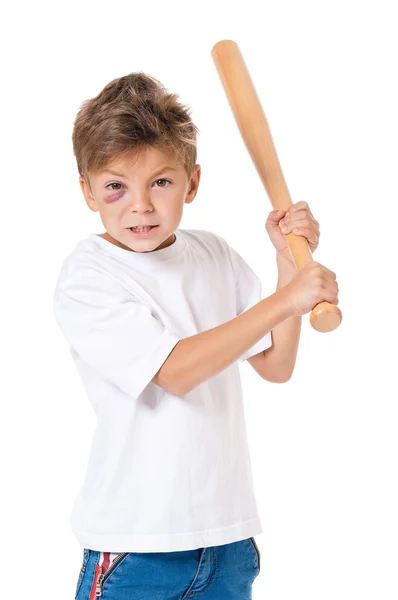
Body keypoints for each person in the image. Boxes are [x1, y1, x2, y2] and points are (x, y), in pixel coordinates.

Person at [53, 72, 339, 600]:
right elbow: (176, 372)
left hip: (228, 541)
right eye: (116, 185)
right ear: (88, 192)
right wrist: (286, 299)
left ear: (192, 183)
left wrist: (286, 265)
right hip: (137, 545)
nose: (139, 205)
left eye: (160, 182)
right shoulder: (89, 274)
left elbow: (277, 365)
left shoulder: (213, 256)